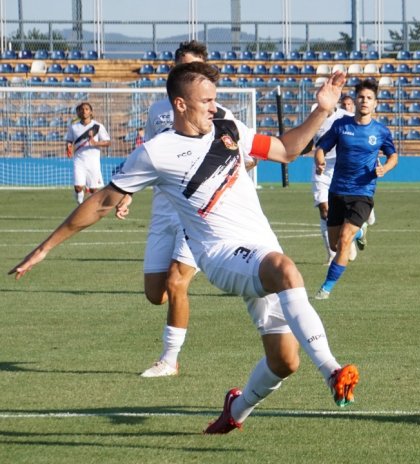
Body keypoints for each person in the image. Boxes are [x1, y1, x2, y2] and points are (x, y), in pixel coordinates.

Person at [10, 62, 359, 434]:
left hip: (261, 253)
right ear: (180, 104)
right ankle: (333, 372)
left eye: (215, 99)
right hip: (221, 254)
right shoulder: (156, 152)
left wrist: (321, 108)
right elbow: (101, 202)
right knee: (286, 269)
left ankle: (235, 411)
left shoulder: (228, 128)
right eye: (206, 100)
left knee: (285, 361)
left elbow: (286, 151)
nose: (214, 107)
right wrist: (46, 247)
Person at [134, 40, 244, 378]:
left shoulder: (220, 116)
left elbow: (241, 158)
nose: (184, 71)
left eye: (192, 67)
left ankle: (169, 359)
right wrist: (126, 195)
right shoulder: (157, 111)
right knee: (157, 294)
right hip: (163, 208)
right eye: (180, 66)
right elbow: (148, 154)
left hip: (197, 210)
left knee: (176, 282)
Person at [314, 79, 398, 300]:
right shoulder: (341, 125)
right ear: (356, 100)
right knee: (334, 243)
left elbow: (393, 155)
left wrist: (385, 169)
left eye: (369, 98)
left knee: (343, 241)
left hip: (362, 193)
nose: (364, 101)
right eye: (361, 97)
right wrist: (319, 160)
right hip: (337, 191)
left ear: (375, 103)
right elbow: (321, 147)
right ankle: (360, 231)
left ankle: (326, 289)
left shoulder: (380, 131)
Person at [309, 95, 357, 265]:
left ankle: (350, 237)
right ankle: (332, 254)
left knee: (345, 209)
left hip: (342, 168)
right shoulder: (315, 114)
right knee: (324, 209)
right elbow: (309, 139)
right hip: (321, 167)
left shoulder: (347, 118)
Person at [65, 102, 111, 204]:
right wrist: (68, 146)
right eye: (82, 109)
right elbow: (69, 140)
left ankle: (90, 208)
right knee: (78, 187)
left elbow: (108, 142)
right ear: (78, 112)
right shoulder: (74, 127)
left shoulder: (97, 126)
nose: (84, 111)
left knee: (94, 190)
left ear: (90, 112)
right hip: (79, 160)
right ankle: (80, 205)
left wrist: (96, 143)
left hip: (93, 162)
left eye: (86, 109)